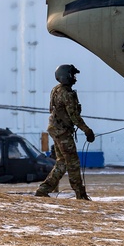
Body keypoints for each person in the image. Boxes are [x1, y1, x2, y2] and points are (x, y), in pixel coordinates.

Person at [35, 64, 95, 200]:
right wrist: (87, 131)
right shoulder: (67, 94)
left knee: (62, 162)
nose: (75, 78)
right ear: (66, 76)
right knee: (73, 163)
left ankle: (43, 190)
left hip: (55, 129)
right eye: (73, 75)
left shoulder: (55, 90)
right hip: (62, 133)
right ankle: (81, 195)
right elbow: (75, 117)